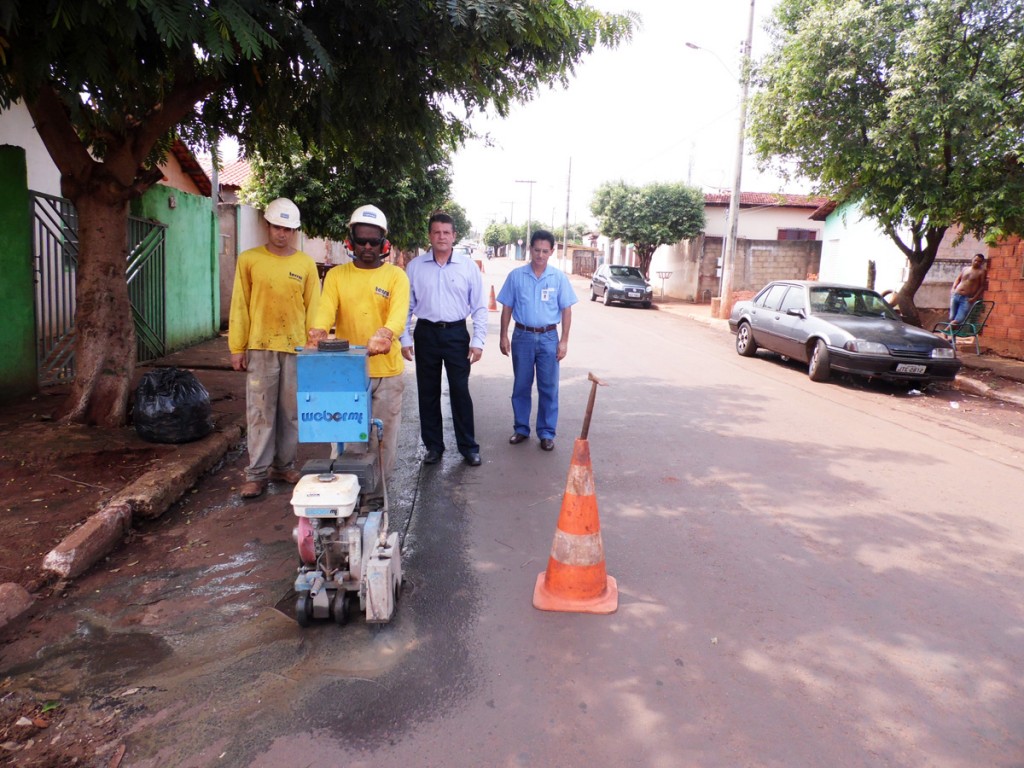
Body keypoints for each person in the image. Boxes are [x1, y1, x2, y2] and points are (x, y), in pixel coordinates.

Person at [307, 205, 410, 483]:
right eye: (361, 240)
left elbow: (398, 314)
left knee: (383, 442)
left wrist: (387, 334)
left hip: (387, 373)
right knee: (348, 439)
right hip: (347, 371)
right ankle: (349, 496)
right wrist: (317, 331)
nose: (367, 246)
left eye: (373, 241)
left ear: (383, 244)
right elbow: (325, 310)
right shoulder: (337, 276)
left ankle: (377, 498)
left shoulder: (396, 277)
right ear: (350, 241)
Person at [228, 198, 320, 499]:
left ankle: (283, 465)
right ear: (267, 226)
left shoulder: (305, 263)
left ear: (294, 231)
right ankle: (256, 474)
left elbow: (314, 309)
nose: (282, 234)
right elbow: (239, 305)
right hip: (260, 345)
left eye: (288, 229)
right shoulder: (249, 259)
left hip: (295, 349)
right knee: (260, 412)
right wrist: (236, 347)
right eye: (277, 227)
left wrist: (312, 344)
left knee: (290, 413)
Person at [400, 212, 487, 467]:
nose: (441, 237)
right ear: (429, 235)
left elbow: (480, 306)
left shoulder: (467, 267)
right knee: (428, 392)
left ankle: (468, 447)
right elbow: (406, 306)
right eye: (436, 232)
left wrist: (478, 340)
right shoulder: (415, 267)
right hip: (425, 333)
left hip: (456, 335)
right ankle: (434, 447)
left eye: (446, 232)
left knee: (460, 391)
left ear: (454, 236)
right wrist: (405, 338)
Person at [497, 229, 577, 451]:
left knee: (549, 387)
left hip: (549, 338)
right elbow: (507, 307)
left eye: (545, 251)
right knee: (521, 385)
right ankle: (521, 428)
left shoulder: (558, 278)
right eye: (537, 250)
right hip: (522, 336)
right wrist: (504, 335)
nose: (540, 255)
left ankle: (546, 432)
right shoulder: (516, 276)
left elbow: (566, 310)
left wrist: (564, 341)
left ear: (552, 251)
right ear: (530, 249)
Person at [949, 253, 988, 327]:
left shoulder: (981, 272)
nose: (976, 262)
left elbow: (982, 286)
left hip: (967, 298)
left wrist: (974, 298)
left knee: (960, 318)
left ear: (982, 263)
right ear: (972, 259)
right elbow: (958, 279)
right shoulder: (965, 269)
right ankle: (952, 336)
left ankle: (946, 329)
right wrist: (954, 288)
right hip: (956, 295)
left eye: (979, 261)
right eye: (975, 260)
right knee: (952, 317)